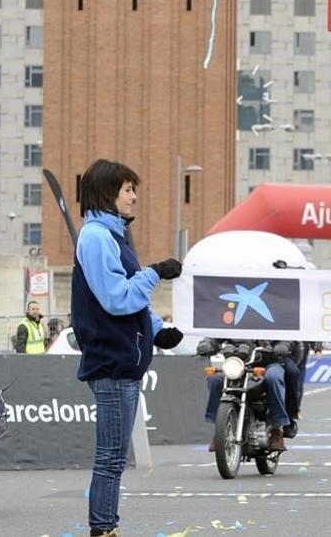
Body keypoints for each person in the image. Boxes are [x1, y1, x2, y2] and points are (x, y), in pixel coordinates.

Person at [71, 159, 183, 537]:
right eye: (128, 190)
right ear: (107, 193)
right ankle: (103, 528)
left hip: (124, 361)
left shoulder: (113, 235)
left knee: (114, 458)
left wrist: (155, 330)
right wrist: (156, 272)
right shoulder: (97, 237)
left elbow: (132, 302)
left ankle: (105, 526)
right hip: (113, 362)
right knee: (111, 459)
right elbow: (117, 299)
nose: (135, 197)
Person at [198, 338, 294, 452]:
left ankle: (277, 428)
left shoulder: (274, 321)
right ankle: (220, 430)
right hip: (237, 363)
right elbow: (217, 332)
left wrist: (283, 345)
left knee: (274, 378)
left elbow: (287, 333)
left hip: (269, 362)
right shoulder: (234, 322)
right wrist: (208, 343)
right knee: (215, 379)